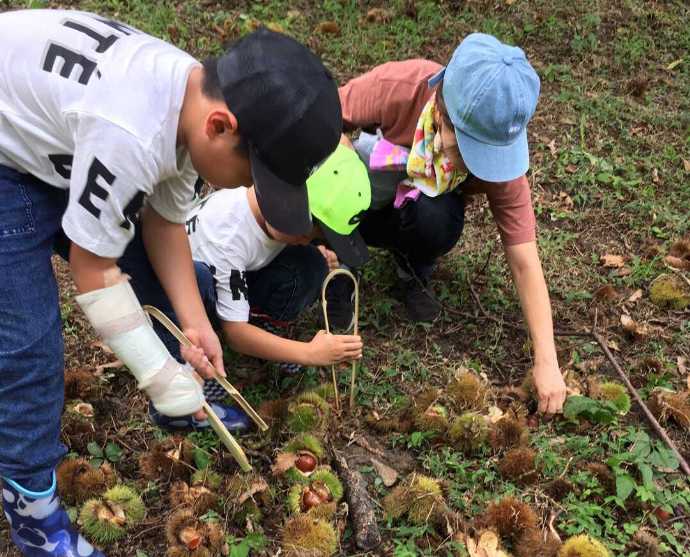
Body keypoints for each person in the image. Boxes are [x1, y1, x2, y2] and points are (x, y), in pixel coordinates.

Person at [0, 8, 341, 556]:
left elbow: (163, 223)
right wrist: (156, 374)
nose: (251, 186)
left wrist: (195, 325)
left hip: (55, 142)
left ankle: (181, 394)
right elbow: (94, 274)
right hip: (7, 161)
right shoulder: (132, 135)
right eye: (254, 175)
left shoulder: (187, 103)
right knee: (27, 350)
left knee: (163, 278)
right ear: (221, 127)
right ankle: (33, 511)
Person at [335, 33, 567, 414]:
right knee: (346, 161)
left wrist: (547, 360)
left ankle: (411, 265)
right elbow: (322, 117)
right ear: (441, 114)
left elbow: (525, 259)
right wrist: (340, 171)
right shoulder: (398, 88)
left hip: (413, 209)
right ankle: (342, 255)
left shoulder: (500, 166)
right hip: (359, 194)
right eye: (465, 150)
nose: (473, 165)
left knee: (437, 217)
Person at [120, 141, 370, 431]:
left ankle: (263, 327)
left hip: (230, 276)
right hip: (182, 298)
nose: (308, 239)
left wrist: (315, 249)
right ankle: (187, 382)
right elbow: (236, 335)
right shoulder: (228, 236)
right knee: (199, 279)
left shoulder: (270, 210)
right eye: (311, 230)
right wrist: (309, 353)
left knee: (310, 264)